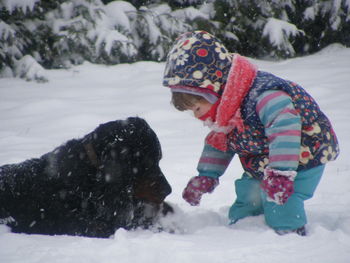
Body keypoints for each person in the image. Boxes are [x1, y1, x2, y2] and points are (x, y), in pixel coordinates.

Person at [162, 31, 339, 235]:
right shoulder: (226, 109)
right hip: (264, 161)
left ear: (212, 92)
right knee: (248, 196)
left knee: (279, 201)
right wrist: (207, 176)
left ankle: (289, 234)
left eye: (196, 108)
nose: (196, 116)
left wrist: (281, 173)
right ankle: (243, 229)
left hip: (303, 156)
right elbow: (219, 143)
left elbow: (285, 130)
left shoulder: (264, 97)